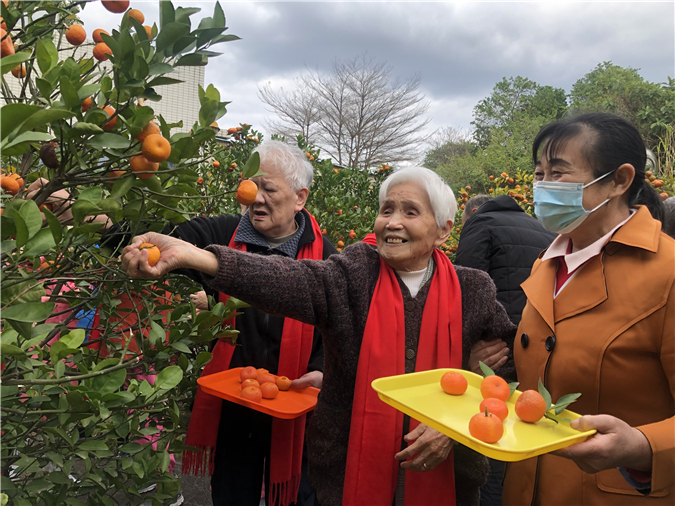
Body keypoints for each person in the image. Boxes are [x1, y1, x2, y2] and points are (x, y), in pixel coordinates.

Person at [122, 166, 517, 506]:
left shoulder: (473, 290)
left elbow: (509, 370)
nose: (392, 222)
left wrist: (453, 416)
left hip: (448, 476)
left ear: (444, 230)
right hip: (348, 470)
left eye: (410, 212)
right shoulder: (353, 273)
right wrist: (198, 256)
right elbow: (288, 280)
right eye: (386, 210)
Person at [501, 113, 674, 505]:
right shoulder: (546, 262)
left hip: (614, 491)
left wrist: (643, 446)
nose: (541, 186)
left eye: (558, 173)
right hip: (527, 486)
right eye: (539, 173)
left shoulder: (668, 272)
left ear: (619, 180)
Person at [173, 140, 337, 506]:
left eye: (269, 189)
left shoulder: (325, 258)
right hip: (235, 400)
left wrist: (322, 369)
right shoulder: (222, 237)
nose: (256, 198)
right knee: (232, 493)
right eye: (252, 186)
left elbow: (337, 327)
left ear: (299, 198)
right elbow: (169, 235)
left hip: (297, 402)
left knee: (296, 495)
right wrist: (97, 220)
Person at [455, 194, 555, 506]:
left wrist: (463, 353)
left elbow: (466, 289)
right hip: (539, 350)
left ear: (470, 212)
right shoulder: (543, 229)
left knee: (488, 439)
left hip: (492, 352)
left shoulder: (480, 223)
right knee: (526, 433)